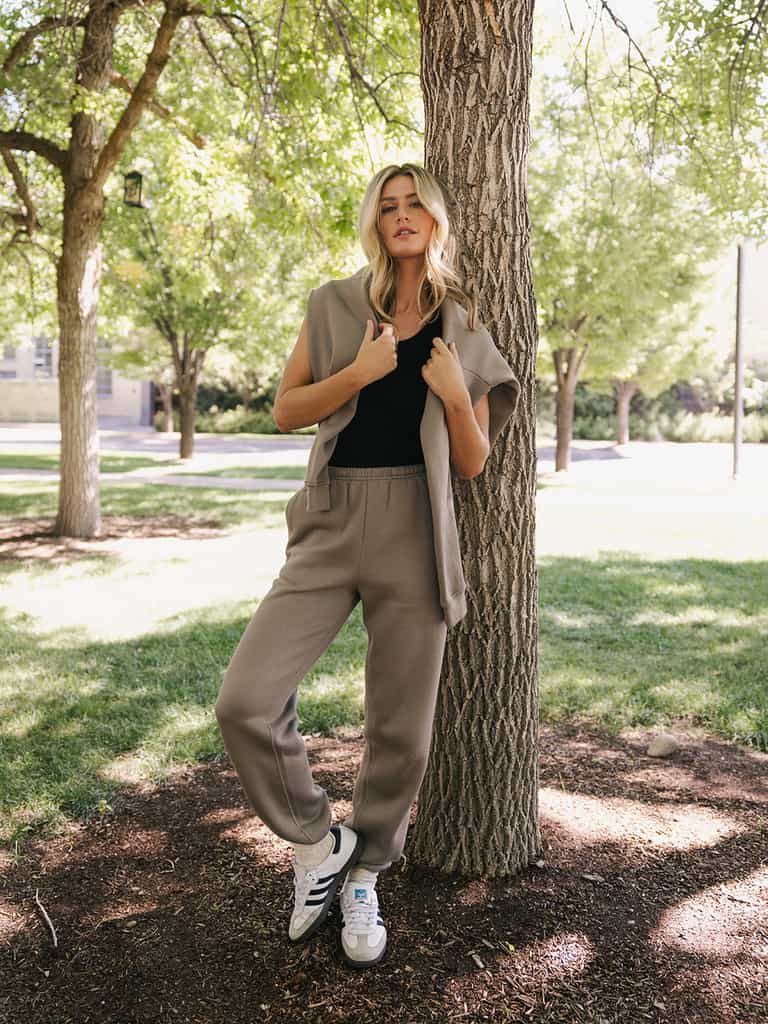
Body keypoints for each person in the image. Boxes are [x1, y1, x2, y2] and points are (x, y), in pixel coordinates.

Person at [214, 163, 520, 969]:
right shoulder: (332, 304)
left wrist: (451, 391)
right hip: (330, 519)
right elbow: (286, 410)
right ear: (375, 223)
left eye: (415, 203)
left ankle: (365, 874)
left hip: (415, 527)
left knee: (402, 732)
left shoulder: (462, 322)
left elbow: (474, 461)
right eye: (388, 206)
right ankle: (320, 842)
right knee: (245, 700)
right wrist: (357, 373)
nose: (402, 215)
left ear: (436, 218)